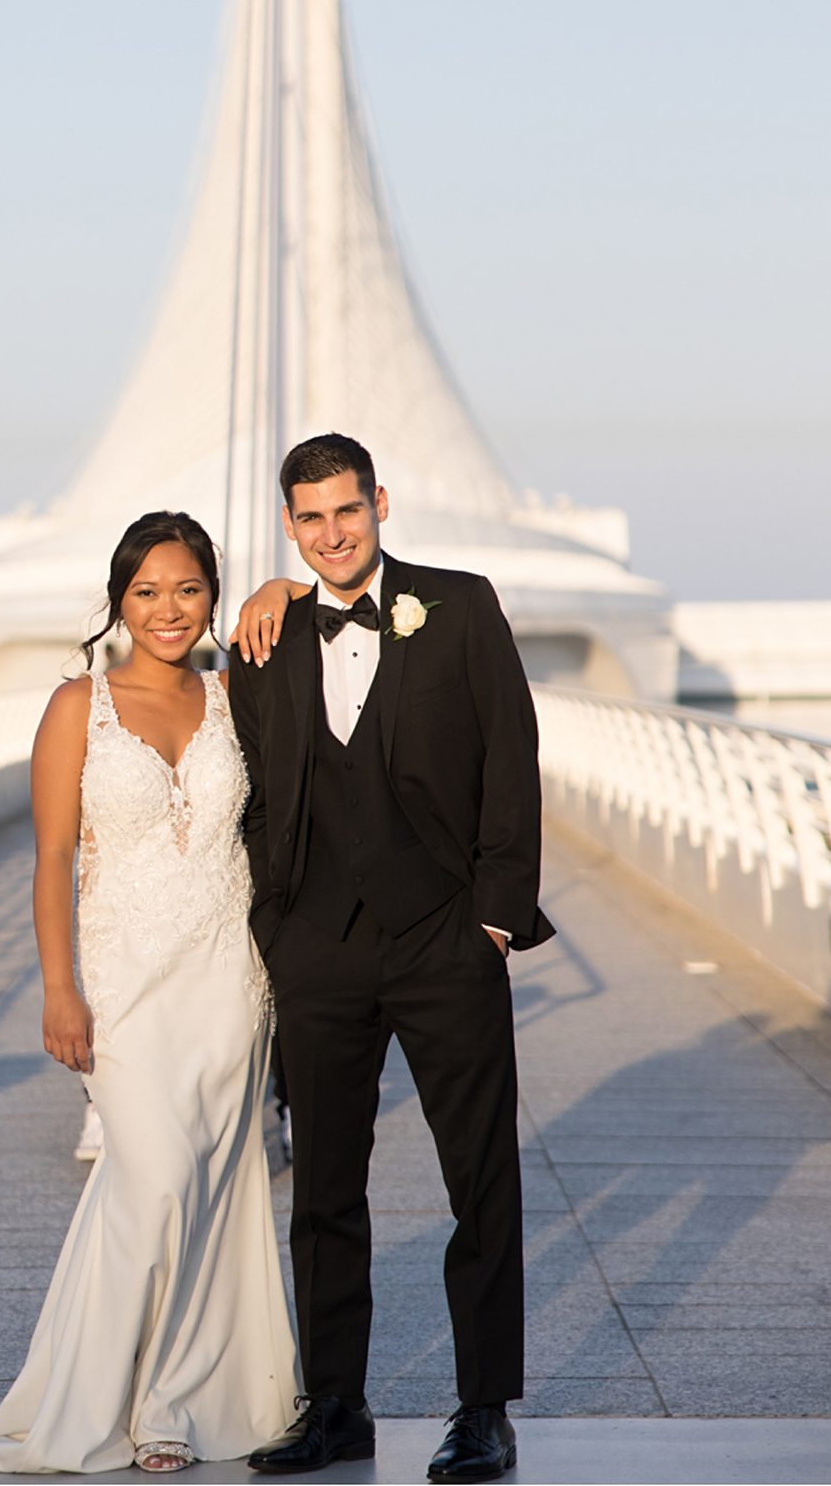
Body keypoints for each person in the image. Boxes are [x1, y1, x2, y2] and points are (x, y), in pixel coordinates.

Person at [227, 434, 554, 1484]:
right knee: (322, 1184)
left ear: (378, 503)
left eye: (346, 511)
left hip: (443, 940)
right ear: (289, 524)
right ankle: (334, 1402)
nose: (330, 534)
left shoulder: (457, 605)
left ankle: (482, 1408)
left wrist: (494, 921)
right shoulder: (265, 638)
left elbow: (510, 758)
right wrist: (276, 924)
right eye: (309, 518)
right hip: (317, 945)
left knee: (480, 1177)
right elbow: (257, 791)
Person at [0, 512, 301, 1476]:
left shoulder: (239, 696)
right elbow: (55, 856)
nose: (167, 610)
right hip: (121, 985)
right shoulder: (80, 706)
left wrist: (284, 592)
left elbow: (338, 633)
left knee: (212, 1188)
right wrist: (58, 989)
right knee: (150, 1180)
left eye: (188, 589)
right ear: (119, 601)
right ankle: (93, 1397)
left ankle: (172, 1406)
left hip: (228, 981)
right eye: (146, 592)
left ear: (212, 598)